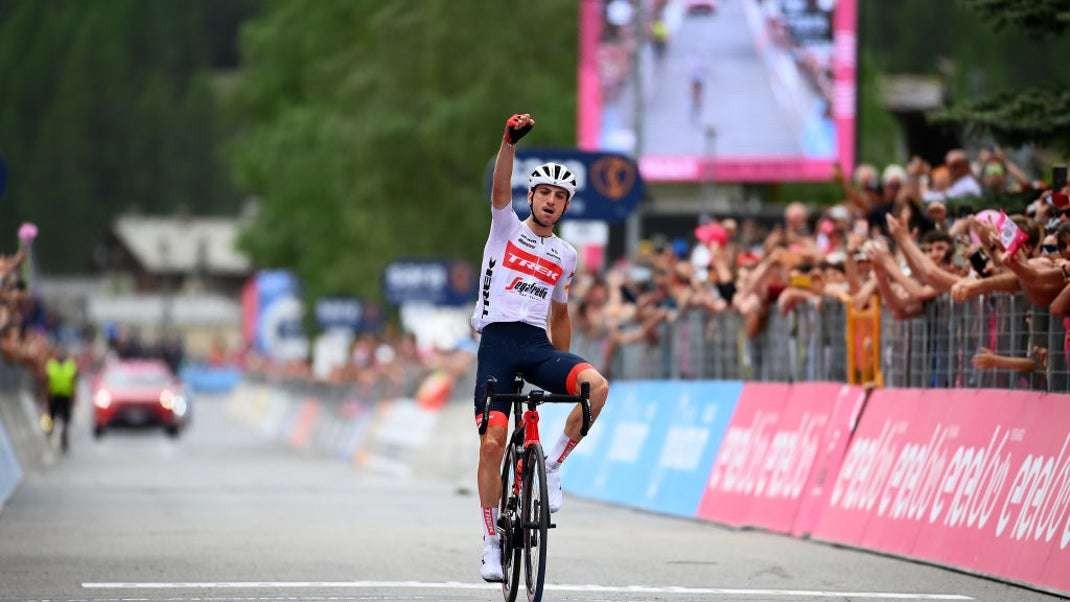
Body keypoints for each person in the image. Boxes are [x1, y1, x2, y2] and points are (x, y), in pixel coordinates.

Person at [472, 114, 610, 582]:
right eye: (545, 194)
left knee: (596, 386)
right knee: (492, 443)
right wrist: (507, 142)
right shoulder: (505, 226)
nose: (551, 202)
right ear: (531, 197)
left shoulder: (566, 256)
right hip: (496, 344)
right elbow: (498, 187)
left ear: (567, 206)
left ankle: (551, 464)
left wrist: (564, 368)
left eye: (560, 197)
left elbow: (561, 314)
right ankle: (492, 541)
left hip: (536, 345)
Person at [45, 347, 78, 453]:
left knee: (66, 419)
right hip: (53, 395)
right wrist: (46, 394)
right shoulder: (51, 365)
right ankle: (48, 433)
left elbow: (74, 381)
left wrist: (75, 396)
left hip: (66, 396)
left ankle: (64, 437)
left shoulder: (70, 365)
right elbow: (46, 380)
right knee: (51, 416)